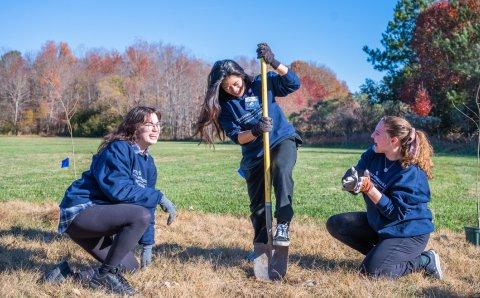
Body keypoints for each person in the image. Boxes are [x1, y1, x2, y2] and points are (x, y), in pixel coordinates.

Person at [44, 106, 177, 295]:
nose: (156, 129)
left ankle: (66, 276)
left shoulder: (149, 164)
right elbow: (118, 190)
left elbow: (145, 202)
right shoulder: (118, 148)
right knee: (139, 216)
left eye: (157, 124)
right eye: (149, 124)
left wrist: (148, 243)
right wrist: (160, 197)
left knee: (129, 266)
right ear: (134, 127)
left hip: (99, 220)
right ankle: (105, 275)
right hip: (81, 212)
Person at [196, 43, 301, 248]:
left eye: (235, 83)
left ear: (241, 75)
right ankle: (261, 246)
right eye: (227, 88)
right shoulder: (226, 107)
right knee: (258, 206)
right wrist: (255, 131)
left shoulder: (262, 83)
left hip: (281, 139)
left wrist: (273, 62)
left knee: (281, 169)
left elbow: (293, 83)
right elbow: (237, 137)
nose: (234, 90)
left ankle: (283, 224)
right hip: (255, 154)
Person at [326, 116, 443, 280]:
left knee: (372, 273)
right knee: (337, 224)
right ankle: (382, 256)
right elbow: (357, 173)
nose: (372, 136)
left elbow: (395, 213)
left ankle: (424, 260)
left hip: (407, 233)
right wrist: (351, 182)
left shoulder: (410, 173)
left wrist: (370, 189)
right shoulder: (374, 153)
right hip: (381, 225)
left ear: (393, 140)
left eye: (378, 133)